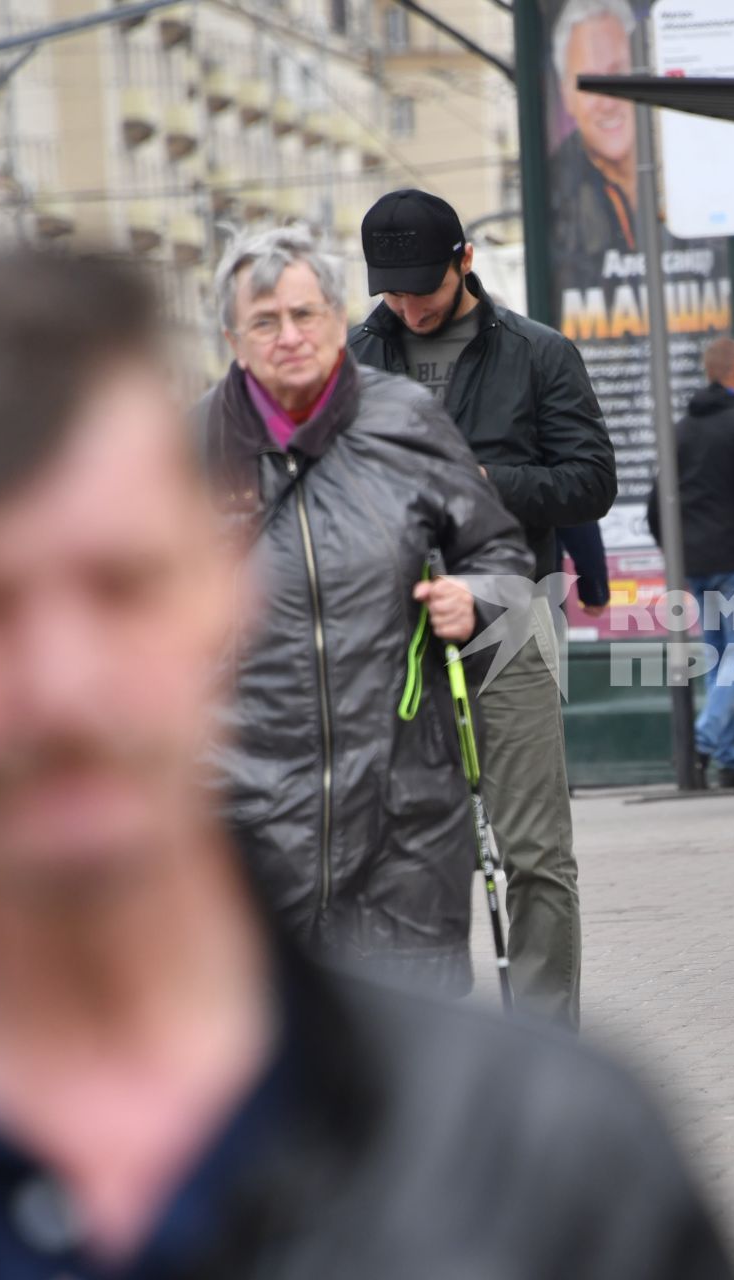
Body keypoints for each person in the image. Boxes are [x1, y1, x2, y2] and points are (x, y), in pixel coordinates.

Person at [0, 248, 734, 1278]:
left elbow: (514, 547)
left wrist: (484, 612)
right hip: (264, 800)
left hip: (403, 805)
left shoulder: (547, 1151)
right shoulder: (202, 443)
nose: (59, 683)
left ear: (214, 594)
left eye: (119, 585)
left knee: (526, 874)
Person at [205, 226, 534, 997]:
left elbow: (503, 561)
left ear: (336, 314)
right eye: (264, 321)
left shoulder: (405, 421)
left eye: (305, 314)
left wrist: (474, 599)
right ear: (232, 336)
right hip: (245, 823)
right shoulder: (186, 451)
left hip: (402, 816)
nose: (289, 336)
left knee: (410, 1065)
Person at [351, 190, 614, 1025]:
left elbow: (591, 482)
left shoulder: (538, 354)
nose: (407, 306)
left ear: (465, 262)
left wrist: (490, 483)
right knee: (405, 856)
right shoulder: (350, 360)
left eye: (421, 287)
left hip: (509, 616)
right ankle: (430, 1048)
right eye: (390, 291)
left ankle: (543, 1045)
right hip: (392, 630)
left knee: (534, 852)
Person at [645, 338, 734, 790]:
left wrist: (677, 552)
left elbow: (655, 503)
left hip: (698, 563)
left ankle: (729, 759)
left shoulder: (683, 429)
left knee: (720, 656)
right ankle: (703, 742)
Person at [550, 0, 638, 261]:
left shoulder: (683, 163)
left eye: (617, 74)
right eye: (589, 83)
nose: (608, 102)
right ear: (566, 95)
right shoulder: (556, 189)